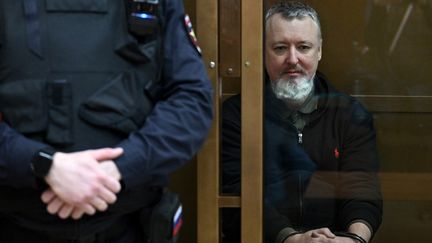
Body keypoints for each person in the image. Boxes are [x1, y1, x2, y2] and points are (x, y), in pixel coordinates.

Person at [0, 0, 213, 242]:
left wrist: (119, 167)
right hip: (16, 222)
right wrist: (43, 165)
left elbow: (192, 101)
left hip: (128, 223)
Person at [221, 1, 382, 243]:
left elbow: (362, 189)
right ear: (263, 51)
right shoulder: (238, 114)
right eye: (280, 48)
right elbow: (236, 194)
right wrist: (292, 239)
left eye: (303, 47)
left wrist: (353, 240)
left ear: (319, 51)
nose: (292, 59)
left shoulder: (351, 114)